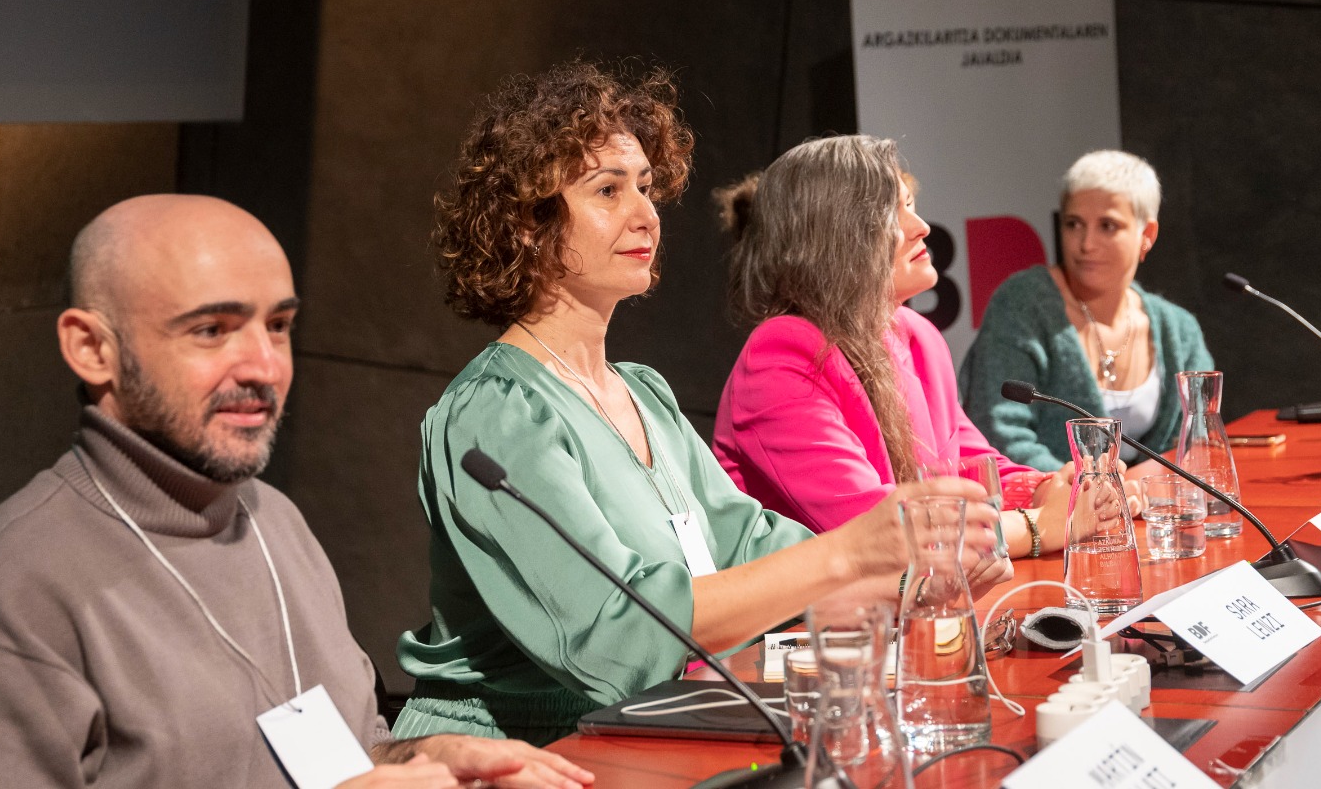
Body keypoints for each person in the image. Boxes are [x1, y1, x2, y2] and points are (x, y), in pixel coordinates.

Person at [0, 195, 590, 789]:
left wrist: (426, 758)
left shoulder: (272, 519)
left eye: (278, 326)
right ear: (92, 349)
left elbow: (331, 757)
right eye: (212, 330)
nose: (264, 366)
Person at [394, 63, 1007, 746]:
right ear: (528, 224)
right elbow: (611, 635)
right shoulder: (498, 413)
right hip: (510, 754)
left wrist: (914, 575)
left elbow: (750, 547)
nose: (645, 215)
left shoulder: (644, 394)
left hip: (646, 730)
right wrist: (851, 555)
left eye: (646, 187)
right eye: (608, 190)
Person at [711, 136, 1072, 560]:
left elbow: (973, 470)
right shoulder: (780, 356)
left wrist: (1056, 491)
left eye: (911, 205)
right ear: (837, 235)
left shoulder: (917, 335)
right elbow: (880, 532)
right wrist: (1035, 526)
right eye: (891, 213)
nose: (921, 227)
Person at [958, 150, 1214, 473]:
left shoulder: (1179, 330)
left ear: (1147, 235)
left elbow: (1198, 439)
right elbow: (999, 436)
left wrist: (1142, 486)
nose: (1086, 244)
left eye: (1108, 226)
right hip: (1048, 500)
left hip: (1151, 502)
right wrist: (1090, 491)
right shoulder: (1021, 305)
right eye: (1074, 224)